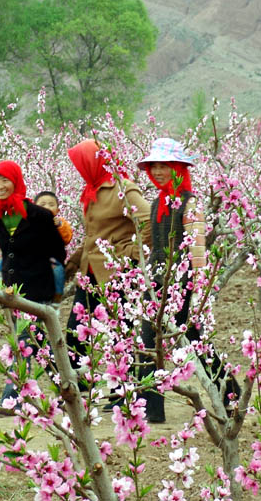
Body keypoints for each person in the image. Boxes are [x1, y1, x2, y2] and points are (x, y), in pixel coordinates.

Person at [136, 138, 240, 423]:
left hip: (181, 285)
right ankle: (152, 408)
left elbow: (197, 251)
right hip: (157, 282)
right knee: (161, 341)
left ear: (177, 168)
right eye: (153, 166)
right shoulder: (158, 200)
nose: (157, 171)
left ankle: (228, 391)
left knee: (184, 342)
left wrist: (196, 292)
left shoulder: (189, 203)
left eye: (163, 166)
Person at [64, 139, 152, 389]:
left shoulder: (123, 188)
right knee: (76, 331)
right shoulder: (92, 190)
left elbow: (147, 221)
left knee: (119, 334)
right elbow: (94, 234)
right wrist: (73, 262)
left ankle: (122, 392)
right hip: (89, 272)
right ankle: (78, 388)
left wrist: (130, 252)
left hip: (116, 274)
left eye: (81, 163)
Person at [0, 161, 66, 411]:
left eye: (5, 180)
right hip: (12, 290)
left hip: (36, 289)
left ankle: (13, 399)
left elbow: (58, 252)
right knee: (40, 344)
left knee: (23, 343)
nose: (0, 186)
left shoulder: (39, 216)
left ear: (16, 181)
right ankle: (68, 388)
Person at [34, 191, 73, 300]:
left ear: (57, 210)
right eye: (42, 205)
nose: (47, 207)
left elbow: (67, 238)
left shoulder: (60, 223)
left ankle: (56, 297)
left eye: (51, 205)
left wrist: (59, 226)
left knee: (57, 271)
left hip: (53, 261)